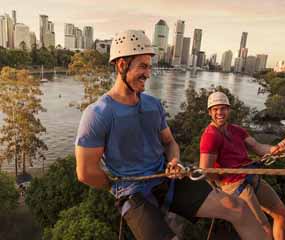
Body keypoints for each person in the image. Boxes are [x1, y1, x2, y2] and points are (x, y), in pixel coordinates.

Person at [75, 30, 270, 240]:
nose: (148, 73)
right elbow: (85, 172)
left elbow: (169, 142)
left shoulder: (152, 105)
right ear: (122, 65)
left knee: (238, 208)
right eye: (142, 66)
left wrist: (174, 160)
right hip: (132, 192)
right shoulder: (98, 114)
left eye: (149, 66)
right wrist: (116, 186)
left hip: (167, 180)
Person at [200, 91, 285, 240]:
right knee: (263, 231)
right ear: (210, 112)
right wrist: (224, 182)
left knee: (282, 214)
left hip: (250, 176)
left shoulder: (237, 130)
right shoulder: (210, 136)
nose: (220, 112)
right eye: (215, 109)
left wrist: (279, 148)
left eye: (223, 108)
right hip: (234, 184)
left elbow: (259, 148)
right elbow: (206, 169)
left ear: (228, 110)